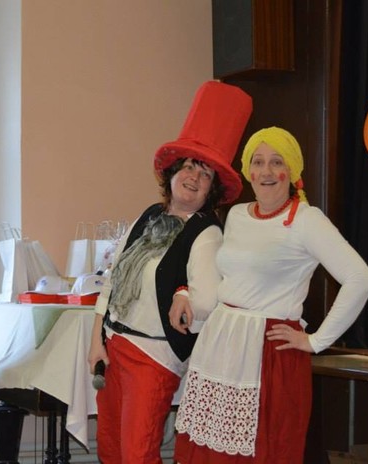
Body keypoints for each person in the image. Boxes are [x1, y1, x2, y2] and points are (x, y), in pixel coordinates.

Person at [173, 127, 368, 463]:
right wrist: (184, 291)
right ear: (248, 171)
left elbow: (360, 279)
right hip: (220, 345)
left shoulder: (306, 221)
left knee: (265, 451)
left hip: (267, 352)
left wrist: (316, 341)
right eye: (258, 162)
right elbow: (227, 276)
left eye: (277, 162)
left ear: (291, 171)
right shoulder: (237, 215)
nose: (266, 171)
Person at [88, 81, 252, 463]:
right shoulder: (148, 215)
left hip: (154, 359)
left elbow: (209, 302)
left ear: (211, 190)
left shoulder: (206, 233)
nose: (193, 177)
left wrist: (184, 293)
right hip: (113, 348)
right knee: (110, 451)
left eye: (205, 174)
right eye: (189, 166)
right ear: (173, 171)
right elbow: (112, 282)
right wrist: (97, 341)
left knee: (137, 455)